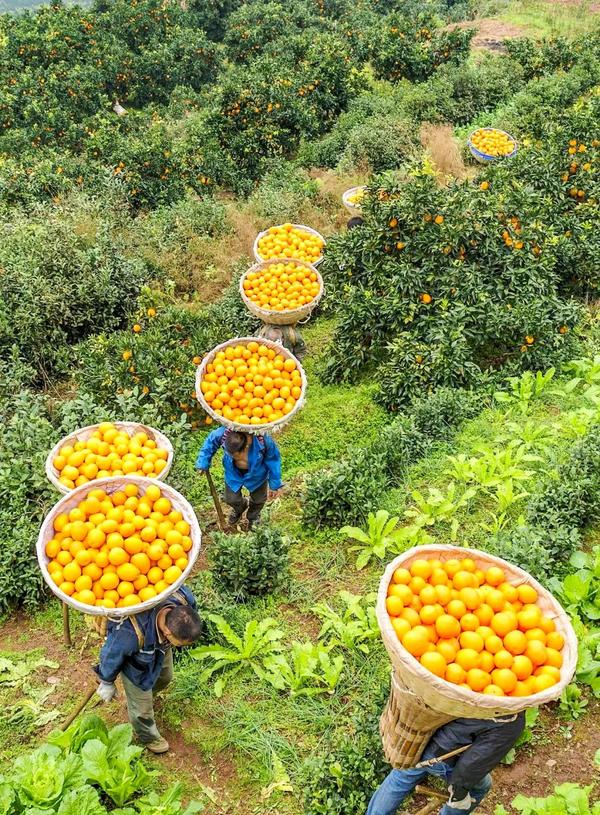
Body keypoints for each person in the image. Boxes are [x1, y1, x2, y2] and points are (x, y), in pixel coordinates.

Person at [94, 587, 202, 754]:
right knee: (142, 709)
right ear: (167, 631)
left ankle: (138, 703)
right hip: (136, 665)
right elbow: (111, 654)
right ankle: (148, 736)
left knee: (165, 677)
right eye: (180, 644)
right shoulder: (131, 632)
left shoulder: (183, 598)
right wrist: (106, 680)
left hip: (160, 648)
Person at [366, 712, 526, 815]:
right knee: (481, 787)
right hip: (441, 756)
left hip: (419, 740)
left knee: (400, 778)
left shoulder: (476, 687)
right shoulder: (512, 720)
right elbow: (472, 765)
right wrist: (459, 794)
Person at [196, 429, 283, 528]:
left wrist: (274, 484)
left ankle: (253, 517)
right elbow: (209, 443)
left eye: (236, 455)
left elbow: (273, 460)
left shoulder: (263, 440)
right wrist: (202, 462)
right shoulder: (224, 433)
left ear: (246, 447)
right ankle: (240, 508)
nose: (232, 456)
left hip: (257, 474)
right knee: (231, 499)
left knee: (258, 500)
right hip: (233, 473)